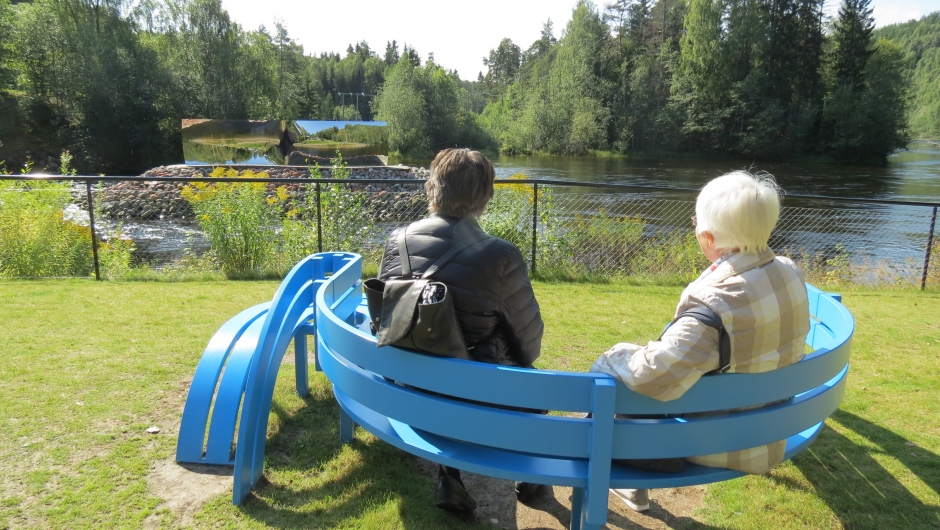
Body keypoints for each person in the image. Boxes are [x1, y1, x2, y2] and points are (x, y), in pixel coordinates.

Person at [589, 171, 810, 513]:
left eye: (694, 222)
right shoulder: (789, 271)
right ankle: (630, 480)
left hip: (724, 440)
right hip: (771, 427)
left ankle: (623, 475)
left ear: (707, 237)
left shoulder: (714, 303)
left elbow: (655, 375)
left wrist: (613, 355)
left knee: (607, 390)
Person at [378, 148, 545, 512]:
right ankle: (531, 475)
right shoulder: (501, 255)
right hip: (477, 397)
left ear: (431, 188)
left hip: (407, 389)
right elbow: (529, 345)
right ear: (485, 196)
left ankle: (449, 478)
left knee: (440, 353)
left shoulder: (397, 240)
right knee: (534, 384)